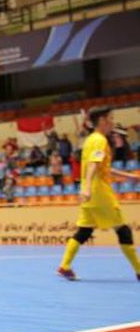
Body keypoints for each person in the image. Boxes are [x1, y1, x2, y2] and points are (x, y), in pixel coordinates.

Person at [57, 107, 140, 282]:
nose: (112, 122)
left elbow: (102, 167)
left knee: (84, 231)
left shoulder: (91, 140)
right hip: (99, 193)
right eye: (110, 118)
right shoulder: (99, 140)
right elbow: (94, 165)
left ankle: (65, 266)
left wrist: (128, 176)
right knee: (123, 230)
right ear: (102, 120)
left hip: (89, 196)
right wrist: (87, 187)